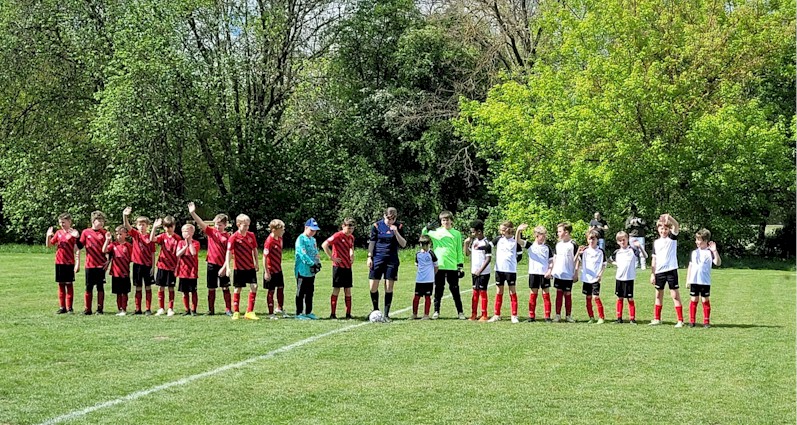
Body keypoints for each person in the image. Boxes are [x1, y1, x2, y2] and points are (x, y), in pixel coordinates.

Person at [188, 203, 232, 316]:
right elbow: (200, 222)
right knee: (211, 288)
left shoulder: (228, 237)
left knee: (225, 287)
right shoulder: (211, 232)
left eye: (220, 225)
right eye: (216, 224)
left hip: (223, 265)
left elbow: (230, 253)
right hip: (211, 264)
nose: (218, 227)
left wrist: (226, 266)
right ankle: (211, 310)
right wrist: (192, 213)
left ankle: (228, 309)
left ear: (225, 225)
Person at [422, 211, 466, 320]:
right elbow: (423, 234)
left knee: (455, 289)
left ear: (451, 220)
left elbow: (459, 250)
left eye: (447, 220)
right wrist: (426, 227)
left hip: (452, 266)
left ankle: (460, 312)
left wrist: (460, 265)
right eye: (443, 220)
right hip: (439, 265)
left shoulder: (456, 233)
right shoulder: (436, 232)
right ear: (441, 222)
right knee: (439, 289)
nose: (446, 222)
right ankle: (436, 311)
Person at [367, 207, 407, 322]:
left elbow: (403, 244)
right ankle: (375, 311)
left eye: (393, 218)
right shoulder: (376, 226)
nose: (391, 220)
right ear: (384, 216)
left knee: (388, 287)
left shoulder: (399, 226)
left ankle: (386, 314)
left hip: (392, 260)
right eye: (389, 218)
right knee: (373, 286)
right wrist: (369, 257)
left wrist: (396, 232)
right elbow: (372, 242)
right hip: (378, 258)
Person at [221, 214, 259, 320]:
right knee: (238, 289)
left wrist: (256, 262)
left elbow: (255, 249)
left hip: (250, 267)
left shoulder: (251, 235)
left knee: (254, 287)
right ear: (238, 224)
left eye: (248, 225)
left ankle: (250, 311)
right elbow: (228, 252)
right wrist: (227, 267)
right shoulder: (233, 237)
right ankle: (236, 311)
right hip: (239, 268)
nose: (246, 227)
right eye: (244, 225)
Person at [649, 214, 685, 327]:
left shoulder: (672, 239)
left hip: (671, 270)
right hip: (659, 272)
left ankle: (680, 320)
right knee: (658, 295)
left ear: (668, 229)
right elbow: (654, 259)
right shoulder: (656, 242)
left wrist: (669, 218)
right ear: (658, 229)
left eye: (666, 229)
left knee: (675, 295)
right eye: (661, 229)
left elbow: (676, 225)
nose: (663, 231)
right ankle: (657, 318)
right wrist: (652, 274)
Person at [487, 221, 523, 323]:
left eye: (503, 229)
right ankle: (497, 314)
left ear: (508, 229)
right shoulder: (498, 239)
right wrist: (478, 248)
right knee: (499, 291)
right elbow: (488, 246)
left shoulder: (515, 241)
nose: (501, 231)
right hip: (499, 270)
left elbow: (519, 255)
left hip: (510, 271)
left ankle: (514, 315)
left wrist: (514, 262)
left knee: (512, 291)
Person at [517, 224, 553, 323]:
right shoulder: (530, 246)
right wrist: (518, 231)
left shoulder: (547, 247)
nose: (544, 237)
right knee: (533, 293)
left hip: (544, 274)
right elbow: (518, 241)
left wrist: (549, 271)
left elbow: (551, 261)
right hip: (533, 273)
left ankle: (547, 316)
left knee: (546, 294)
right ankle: (531, 316)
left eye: (545, 235)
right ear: (536, 235)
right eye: (543, 235)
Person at [123, 208, 156, 315]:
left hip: (147, 265)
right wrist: (125, 216)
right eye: (139, 224)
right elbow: (126, 225)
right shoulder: (136, 235)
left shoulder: (150, 237)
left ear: (147, 226)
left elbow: (152, 253)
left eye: (144, 224)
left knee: (148, 287)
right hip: (137, 265)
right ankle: (138, 309)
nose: (142, 226)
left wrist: (153, 267)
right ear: (136, 226)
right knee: (138, 287)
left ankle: (148, 309)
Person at [686, 229, 721, 328]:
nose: (696, 242)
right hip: (694, 280)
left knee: (705, 300)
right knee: (694, 299)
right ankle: (692, 321)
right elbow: (691, 266)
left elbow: (718, 263)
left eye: (699, 240)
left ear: (705, 241)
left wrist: (715, 251)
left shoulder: (710, 252)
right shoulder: (694, 253)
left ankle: (706, 321)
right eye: (696, 240)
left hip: (705, 281)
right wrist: (688, 280)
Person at [322, 218, 356, 320]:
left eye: (352, 228)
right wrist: (332, 257)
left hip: (347, 266)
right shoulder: (337, 235)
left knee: (348, 290)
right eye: (348, 228)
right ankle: (333, 314)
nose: (350, 230)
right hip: (338, 267)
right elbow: (324, 245)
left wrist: (352, 254)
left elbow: (351, 247)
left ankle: (348, 314)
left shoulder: (351, 237)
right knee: (336, 289)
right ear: (343, 226)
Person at [46, 213, 80, 314]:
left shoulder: (74, 233)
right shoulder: (58, 233)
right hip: (59, 262)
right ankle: (62, 307)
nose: (62, 224)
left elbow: (77, 248)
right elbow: (49, 245)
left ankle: (70, 307)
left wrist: (77, 263)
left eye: (64, 222)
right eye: (60, 222)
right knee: (61, 285)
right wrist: (48, 236)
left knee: (69, 285)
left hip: (69, 263)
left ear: (69, 222)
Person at [610, 231, 644, 324]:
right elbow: (611, 260)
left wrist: (640, 246)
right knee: (619, 298)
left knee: (630, 298)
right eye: (620, 240)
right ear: (617, 242)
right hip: (619, 278)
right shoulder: (617, 252)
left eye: (624, 240)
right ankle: (619, 318)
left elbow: (645, 256)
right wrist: (616, 264)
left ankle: (632, 319)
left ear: (627, 239)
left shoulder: (632, 250)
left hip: (629, 278)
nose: (622, 242)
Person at [150, 216, 182, 317]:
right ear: (164, 227)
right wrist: (154, 227)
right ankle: (161, 308)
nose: (169, 229)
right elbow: (152, 239)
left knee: (171, 288)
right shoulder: (162, 237)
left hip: (172, 267)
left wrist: (178, 266)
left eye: (171, 226)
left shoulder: (178, 238)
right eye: (166, 226)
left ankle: (170, 308)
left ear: (174, 226)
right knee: (161, 287)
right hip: (162, 266)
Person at [79, 211, 109, 315]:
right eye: (99, 220)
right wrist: (74, 237)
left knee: (100, 287)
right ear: (93, 221)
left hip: (101, 265)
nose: (101, 222)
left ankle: (100, 309)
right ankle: (88, 309)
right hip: (90, 264)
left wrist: (108, 261)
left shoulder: (105, 233)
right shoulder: (86, 232)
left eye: (102, 220)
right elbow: (79, 246)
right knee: (89, 286)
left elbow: (110, 250)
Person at [575, 230, 607, 324]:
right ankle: (591, 317)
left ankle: (601, 317)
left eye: (594, 239)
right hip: (586, 278)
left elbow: (604, 264)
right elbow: (577, 261)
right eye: (590, 239)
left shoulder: (601, 252)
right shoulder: (584, 251)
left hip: (595, 278)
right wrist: (578, 253)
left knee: (595, 297)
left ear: (597, 240)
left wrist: (600, 274)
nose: (592, 241)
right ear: (587, 240)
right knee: (588, 298)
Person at [463, 219, 491, 322]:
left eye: (473, 231)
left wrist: (480, 270)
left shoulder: (486, 243)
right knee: (475, 293)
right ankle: (473, 314)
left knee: (482, 293)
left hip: (483, 272)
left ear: (479, 231)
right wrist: (466, 244)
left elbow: (488, 259)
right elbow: (467, 253)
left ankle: (484, 314)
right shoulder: (474, 241)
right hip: (474, 271)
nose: (471, 234)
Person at [295, 218, 322, 320]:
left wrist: (318, 263)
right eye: (311, 230)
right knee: (301, 292)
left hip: (311, 271)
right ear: (306, 228)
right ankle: (299, 313)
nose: (313, 232)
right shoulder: (301, 239)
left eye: (315, 230)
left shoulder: (313, 240)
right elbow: (302, 253)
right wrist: (311, 263)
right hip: (302, 269)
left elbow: (315, 252)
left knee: (310, 292)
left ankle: (308, 311)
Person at [552, 222, 578, 323]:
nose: (557, 233)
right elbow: (555, 258)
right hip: (559, 273)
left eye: (559, 231)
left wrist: (575, 272)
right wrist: (552, 270)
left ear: (566, 232)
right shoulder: (558, 244)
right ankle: (557, 315)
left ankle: (568, 316)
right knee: (558, 294)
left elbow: (577, 259)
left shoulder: (573, 244)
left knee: (567, 294)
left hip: (568, 274)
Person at [103, 226, 132, 316]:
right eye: (117, 234)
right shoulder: (113, 245)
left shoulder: (128, 246)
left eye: (120, 234)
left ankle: (124, 309)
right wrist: (107, 240)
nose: (118, 236)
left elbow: (131, 258)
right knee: (118, 293)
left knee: (124, 292)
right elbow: (104, 250)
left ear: (126, 235)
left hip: (125, 273)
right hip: (116, 273)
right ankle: (119, 309)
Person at [263, 219, 286, 318]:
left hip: (278, 269)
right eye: (281, 229)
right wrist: (266, 272)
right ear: (273, 230)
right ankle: (271, 313)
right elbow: (264, 257)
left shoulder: (280, 239)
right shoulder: (269, 241)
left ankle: (279, 308)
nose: (283, 231)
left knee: (281, 288)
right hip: (270, 269)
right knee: (271, 290)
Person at [176, 224, 201, 316]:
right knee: (184, 292)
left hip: (192, 272)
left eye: (187, 231)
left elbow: (193, 252)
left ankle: (194, 310)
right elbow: (178, 254)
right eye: (183, 231)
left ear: (192, 232)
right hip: (183, 271)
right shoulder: (180, 243)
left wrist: (189, 243)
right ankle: (187, 309)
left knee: (193, 291)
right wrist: (185, 246)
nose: (185, 233)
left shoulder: (196, 243)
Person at [412, 235, 438, 320]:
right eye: (422, 244)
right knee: (416, 297)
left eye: (426, 244)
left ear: (429, 244)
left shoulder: (431, 254)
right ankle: (414, 314)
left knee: (427, 297)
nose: (424, 246)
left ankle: (426, 315)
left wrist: (431, 275)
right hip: (419, 280)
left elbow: (436, 266)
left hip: (429, 280)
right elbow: (417, 265)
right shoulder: (418, 254)